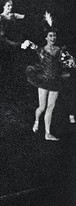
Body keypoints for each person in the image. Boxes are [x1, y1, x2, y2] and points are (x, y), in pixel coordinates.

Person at [26, 13, 72, 141]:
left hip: (55, 81)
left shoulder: (59, 50)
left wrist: (69, 61)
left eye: (54, 35)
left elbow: (65, 61)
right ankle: (36, 121)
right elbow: (33, 46)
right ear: (46, 38)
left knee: (51, 107)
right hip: (44, 80)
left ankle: (47, 133)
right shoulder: (42, 50)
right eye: (50, 36)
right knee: (42, 107)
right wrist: (28, 43)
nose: (53, 37)